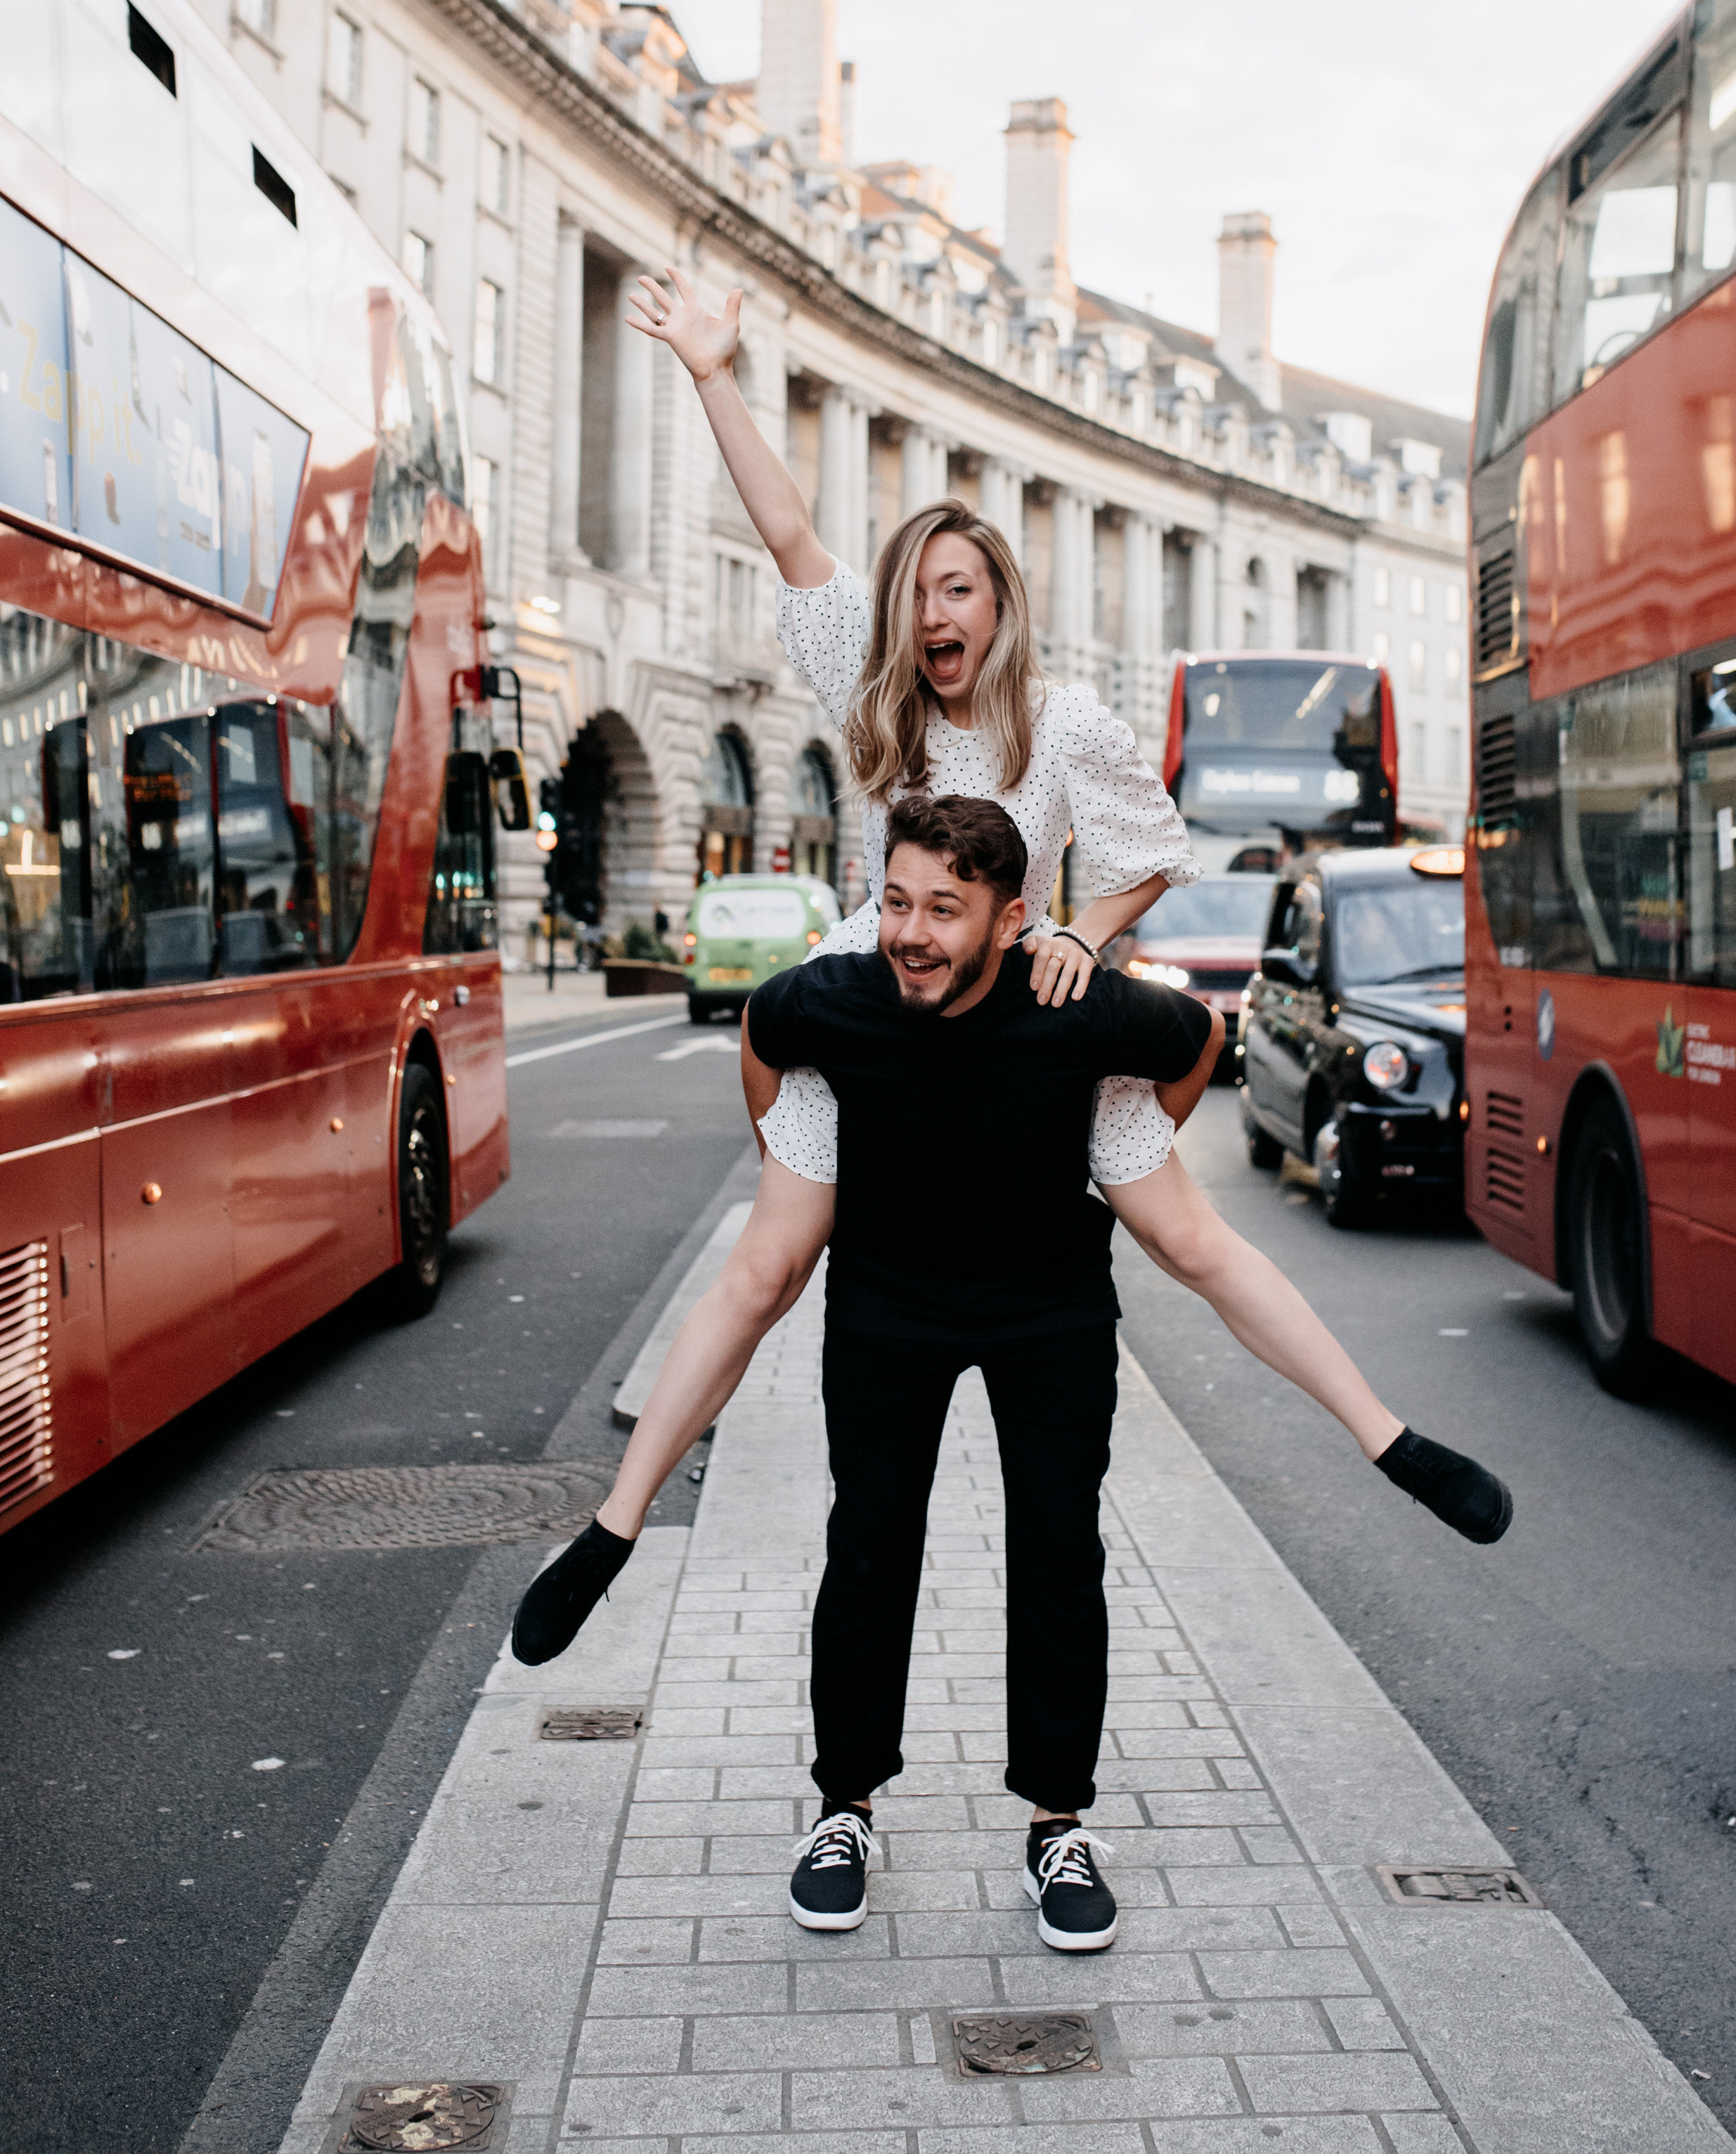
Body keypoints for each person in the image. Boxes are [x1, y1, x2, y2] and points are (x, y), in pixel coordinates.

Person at [512, 797, 1512, 1954]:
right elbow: (764, 1047)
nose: (911, 932)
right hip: (890, 1298)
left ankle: (1058, 1822)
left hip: (1048, 1303)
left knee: (1057, 1550)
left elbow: (1198, 1047)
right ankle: (844, 1809)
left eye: (945, 908)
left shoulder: (1075, 1006)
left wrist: (1112, 1143)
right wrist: (791, 1146)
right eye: (895, 902)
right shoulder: (836, 1001)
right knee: (870, 1544)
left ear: (1014, 920)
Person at [623, 260, 1195, 1193]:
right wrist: (711, 376)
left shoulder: (1065, 720)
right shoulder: (875, 668)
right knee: (778, 1245)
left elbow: (1153, 856)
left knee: (1176, 1228)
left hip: (1014, 989)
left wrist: (1080, 939)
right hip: (883, 978)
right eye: (917, 595)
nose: (934, 615)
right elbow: (788, 532)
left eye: (958, 591)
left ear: (1000, 604)